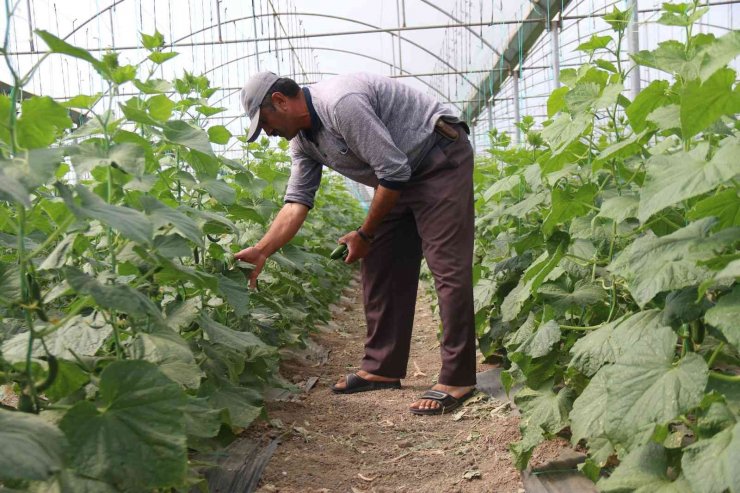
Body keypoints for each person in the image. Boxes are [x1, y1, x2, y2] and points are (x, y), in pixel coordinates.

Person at [235, 71, 477, 415]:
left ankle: (457, 377)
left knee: (446, 266)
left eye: (266, 124)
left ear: (279, 101)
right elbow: (296, 202)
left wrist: (364, 234)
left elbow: (393, 172)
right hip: (395, 174)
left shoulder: (340, 103)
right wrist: (262, 250)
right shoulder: (303, 142)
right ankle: (383, 368)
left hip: (437, 158)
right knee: (380, 265)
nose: (269, 133)